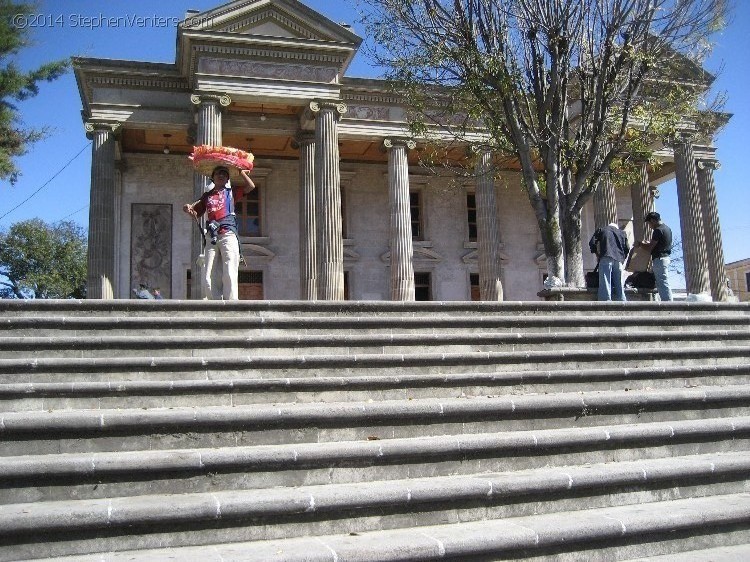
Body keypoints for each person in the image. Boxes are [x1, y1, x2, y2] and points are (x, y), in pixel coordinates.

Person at [183, 166, 255, 300]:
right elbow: (196, 213)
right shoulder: (206, 196)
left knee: (229, 269)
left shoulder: (232, 192)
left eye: (224, 174)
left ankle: (231, 303)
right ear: (213, 177)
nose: (220, 176)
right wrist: (188, 209)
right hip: (212, 235)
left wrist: (242, 173)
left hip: (228, 233)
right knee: (208, 272)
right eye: (217, 173)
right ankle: (214, 302)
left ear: (227, 178)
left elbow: (250, 186)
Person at [589, 222, 630, 301]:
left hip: (606, 256)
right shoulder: (622, 233)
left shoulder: (602, 230)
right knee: (619, 281)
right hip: (618, 259)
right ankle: (622, 300)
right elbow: (627, 248)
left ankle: (606, 301)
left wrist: (597, 254)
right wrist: (622, 258)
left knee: (605, 279)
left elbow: (592, 242)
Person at [638, 211, 673, 301]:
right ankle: (661, 300)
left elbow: (650, 247)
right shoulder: (667, 228)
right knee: (659, 280)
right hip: (665, 257)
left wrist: (640, 244)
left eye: (649, 223)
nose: (649, 226)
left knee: (662, 281)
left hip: (660, 258)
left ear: (653, 220)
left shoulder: (658, 230)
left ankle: (668, 303)